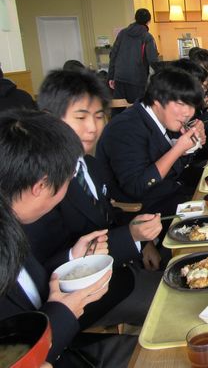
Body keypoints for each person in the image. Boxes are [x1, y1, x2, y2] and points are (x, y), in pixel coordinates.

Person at [28, 71, 164, 332]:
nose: (92, 128)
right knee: (177, 301)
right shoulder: (38, 185)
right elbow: (44, 269)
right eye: (80, 117)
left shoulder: (88, 164)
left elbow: (106, 215)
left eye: (99, 116)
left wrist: (142, 240)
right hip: (80, 299)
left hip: (118, 269)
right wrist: (130, 237)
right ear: (49, 119)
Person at [0, 109, 137, 367]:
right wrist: (62, 314)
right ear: (40, 186)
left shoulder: (12, 220)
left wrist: (73, 257)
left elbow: (30, 285)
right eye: (67, 179)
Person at [96, 67, 207, 219]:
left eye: (192, 105)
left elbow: (176, 168)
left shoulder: (166, 119)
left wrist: (191, 146)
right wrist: (178, 149)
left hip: (171, 191)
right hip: (146, 211)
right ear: (157, 98)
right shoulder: (124, 128)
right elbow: (136, 187)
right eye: (181, 104)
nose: (188, 112)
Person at [108, 8, 159, 104]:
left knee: (119, 108)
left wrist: (111, 76)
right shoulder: (147, 37)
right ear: (149, 21)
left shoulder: (122, 33)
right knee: (137, 109)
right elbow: (153, 60)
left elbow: (113, 55)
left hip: (119, 77)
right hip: (137, 79)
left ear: (135, 18)